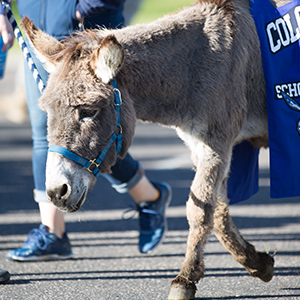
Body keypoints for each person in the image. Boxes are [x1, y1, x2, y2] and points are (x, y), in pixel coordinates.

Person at [1, 0, 171, 262]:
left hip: (86, 32)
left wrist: (78, 8)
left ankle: (150, 196)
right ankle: (53, 234)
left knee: (96, 128)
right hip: (42, 35)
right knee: (49, 134)